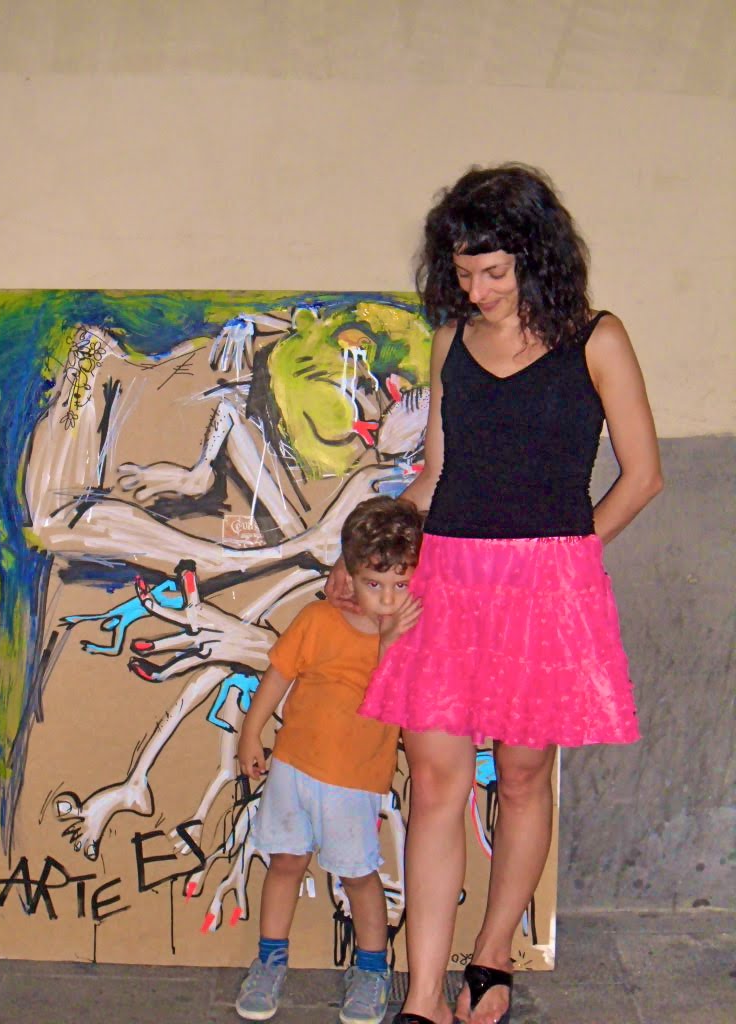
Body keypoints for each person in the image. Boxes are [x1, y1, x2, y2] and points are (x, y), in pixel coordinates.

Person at [326, 164, 663, 1024]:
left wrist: (568, 558)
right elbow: (438, 476)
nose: (475, 290)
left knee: (520, 776)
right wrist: (363, 549)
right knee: (435, 785)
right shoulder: (450, 343)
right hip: (447, 583)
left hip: (545, 590)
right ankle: (423, 996)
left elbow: (643, 477)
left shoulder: (597, 339)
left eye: (493, 272)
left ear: (536, 256)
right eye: (463, 272)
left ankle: (491, 953)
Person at [235, 495, 424, 1024]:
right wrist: (251, 734)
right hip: (292, 768)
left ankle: (372, 969)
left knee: (358, 876)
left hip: (354, 782)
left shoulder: (412, 636)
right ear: (349, 575)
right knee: (284, 863)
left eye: (400, 585)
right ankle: (269, 962)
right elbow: (278, 674)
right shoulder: (318, 618)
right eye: (373, 583)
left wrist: (390, 642)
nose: (386, 598)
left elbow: (392, 699)